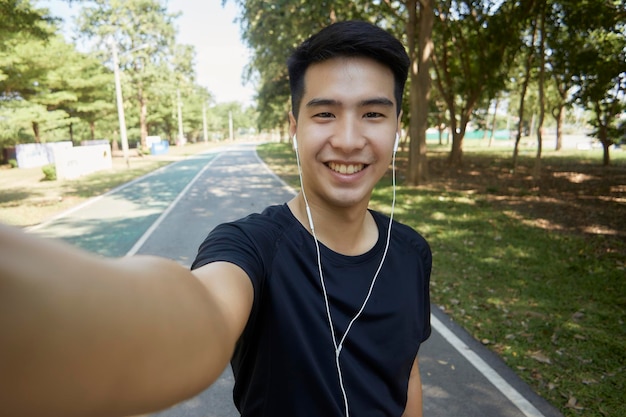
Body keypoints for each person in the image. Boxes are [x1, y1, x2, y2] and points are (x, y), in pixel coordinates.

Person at [0, 20, 431, 417]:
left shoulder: (412, 252)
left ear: (396, 127)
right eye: (324, 114)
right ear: (295, 126)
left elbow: (405, 372)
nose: (349, 139)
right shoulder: (250, 247)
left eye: (373, 114)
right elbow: (201, 314)